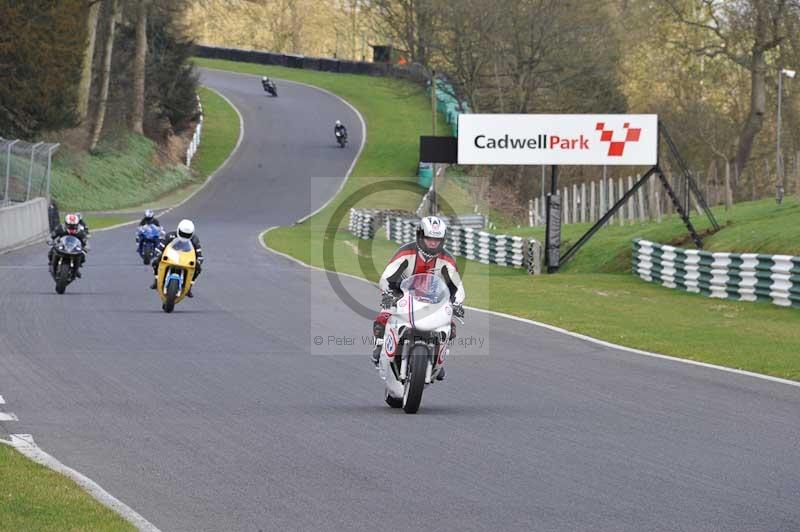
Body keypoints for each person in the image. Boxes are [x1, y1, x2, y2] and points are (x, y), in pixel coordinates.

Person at [371, 216, 465, 378]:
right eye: (429, 238)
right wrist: (387, 293)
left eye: (437, 239)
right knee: (384, 315)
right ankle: (380, 345)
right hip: (401, 293)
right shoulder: (406, 252)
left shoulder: (447, 259)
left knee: (450, 325)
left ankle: (437, 359)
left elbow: (457, 286)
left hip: (434, 297)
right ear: (420, 236)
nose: (433, 243)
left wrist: (457, 303)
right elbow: (387, 276)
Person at [150, 219, 203, 298]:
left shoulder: (195, 240)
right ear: (178, 230)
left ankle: (189, 286)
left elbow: (199, 254)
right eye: (183, 233)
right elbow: (161, 246)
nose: (184, 236)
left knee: (198, 269)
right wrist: (158, 253)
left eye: (187, 234)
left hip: (186, 258)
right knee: (155, 262)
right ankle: (156, 280)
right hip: (171, 256)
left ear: (192, 233)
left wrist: (198, 261)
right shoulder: (170, 235)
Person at [48, 213, 89, 277]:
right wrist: (50, 241)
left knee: (82, 256)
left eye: (74, 226)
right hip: (62, 246)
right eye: (70, 225)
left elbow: (86, 242)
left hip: (74, 248)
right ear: (66, 224)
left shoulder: (80, 232)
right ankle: (51, 262)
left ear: (77, 225)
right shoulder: (60, 228)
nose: (72, 227)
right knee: (52, 250)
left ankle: (76, 269)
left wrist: (85, 249)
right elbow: (51, 236)